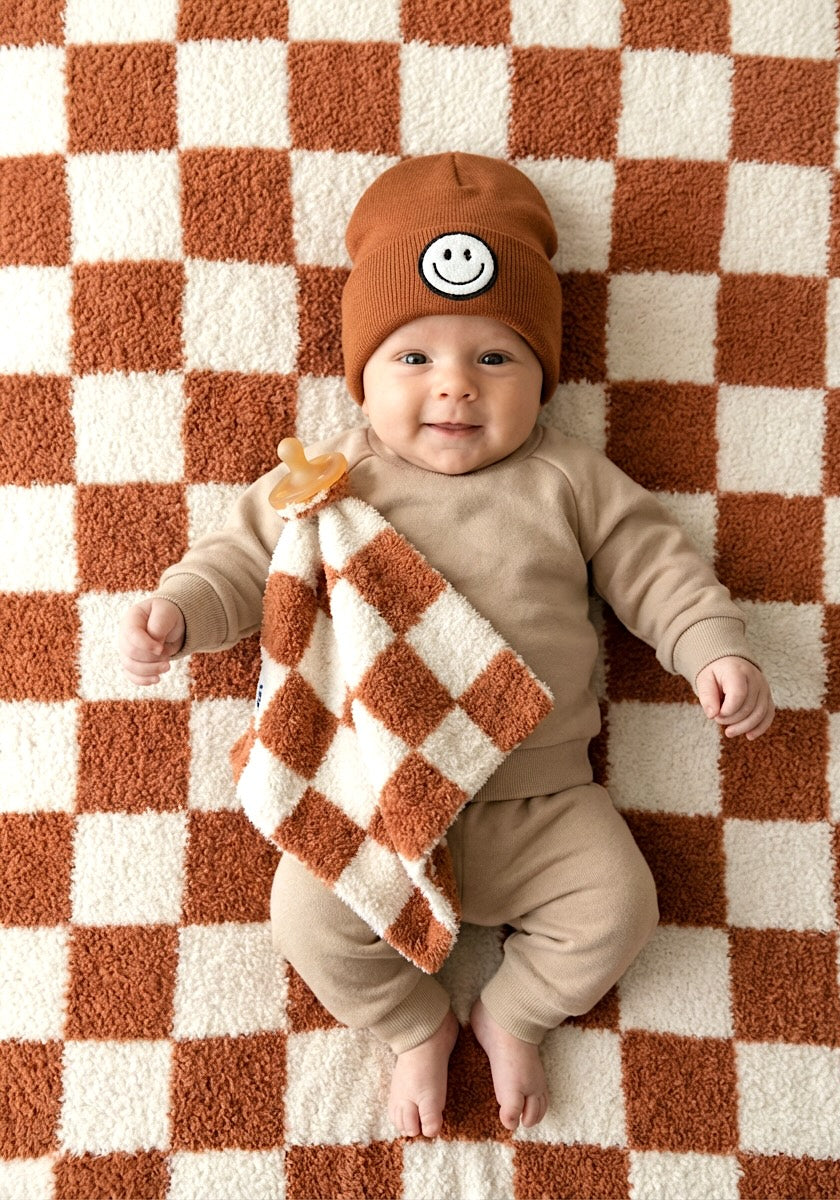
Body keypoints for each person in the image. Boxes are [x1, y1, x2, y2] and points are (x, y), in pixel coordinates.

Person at [119, 153, 774, 1140]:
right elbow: (241, 562)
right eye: (414, 359)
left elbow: (654, 566)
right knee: (306, 917)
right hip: (376, 794)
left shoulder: (569, 479)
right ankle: (412, 1025)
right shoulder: (330, 480)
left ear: (543, 376)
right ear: (363, 375)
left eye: (495, 358)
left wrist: (709, 646)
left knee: (619, 907)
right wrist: (177, 611)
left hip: (542, 796)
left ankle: (512, 1014)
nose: (455, 389)